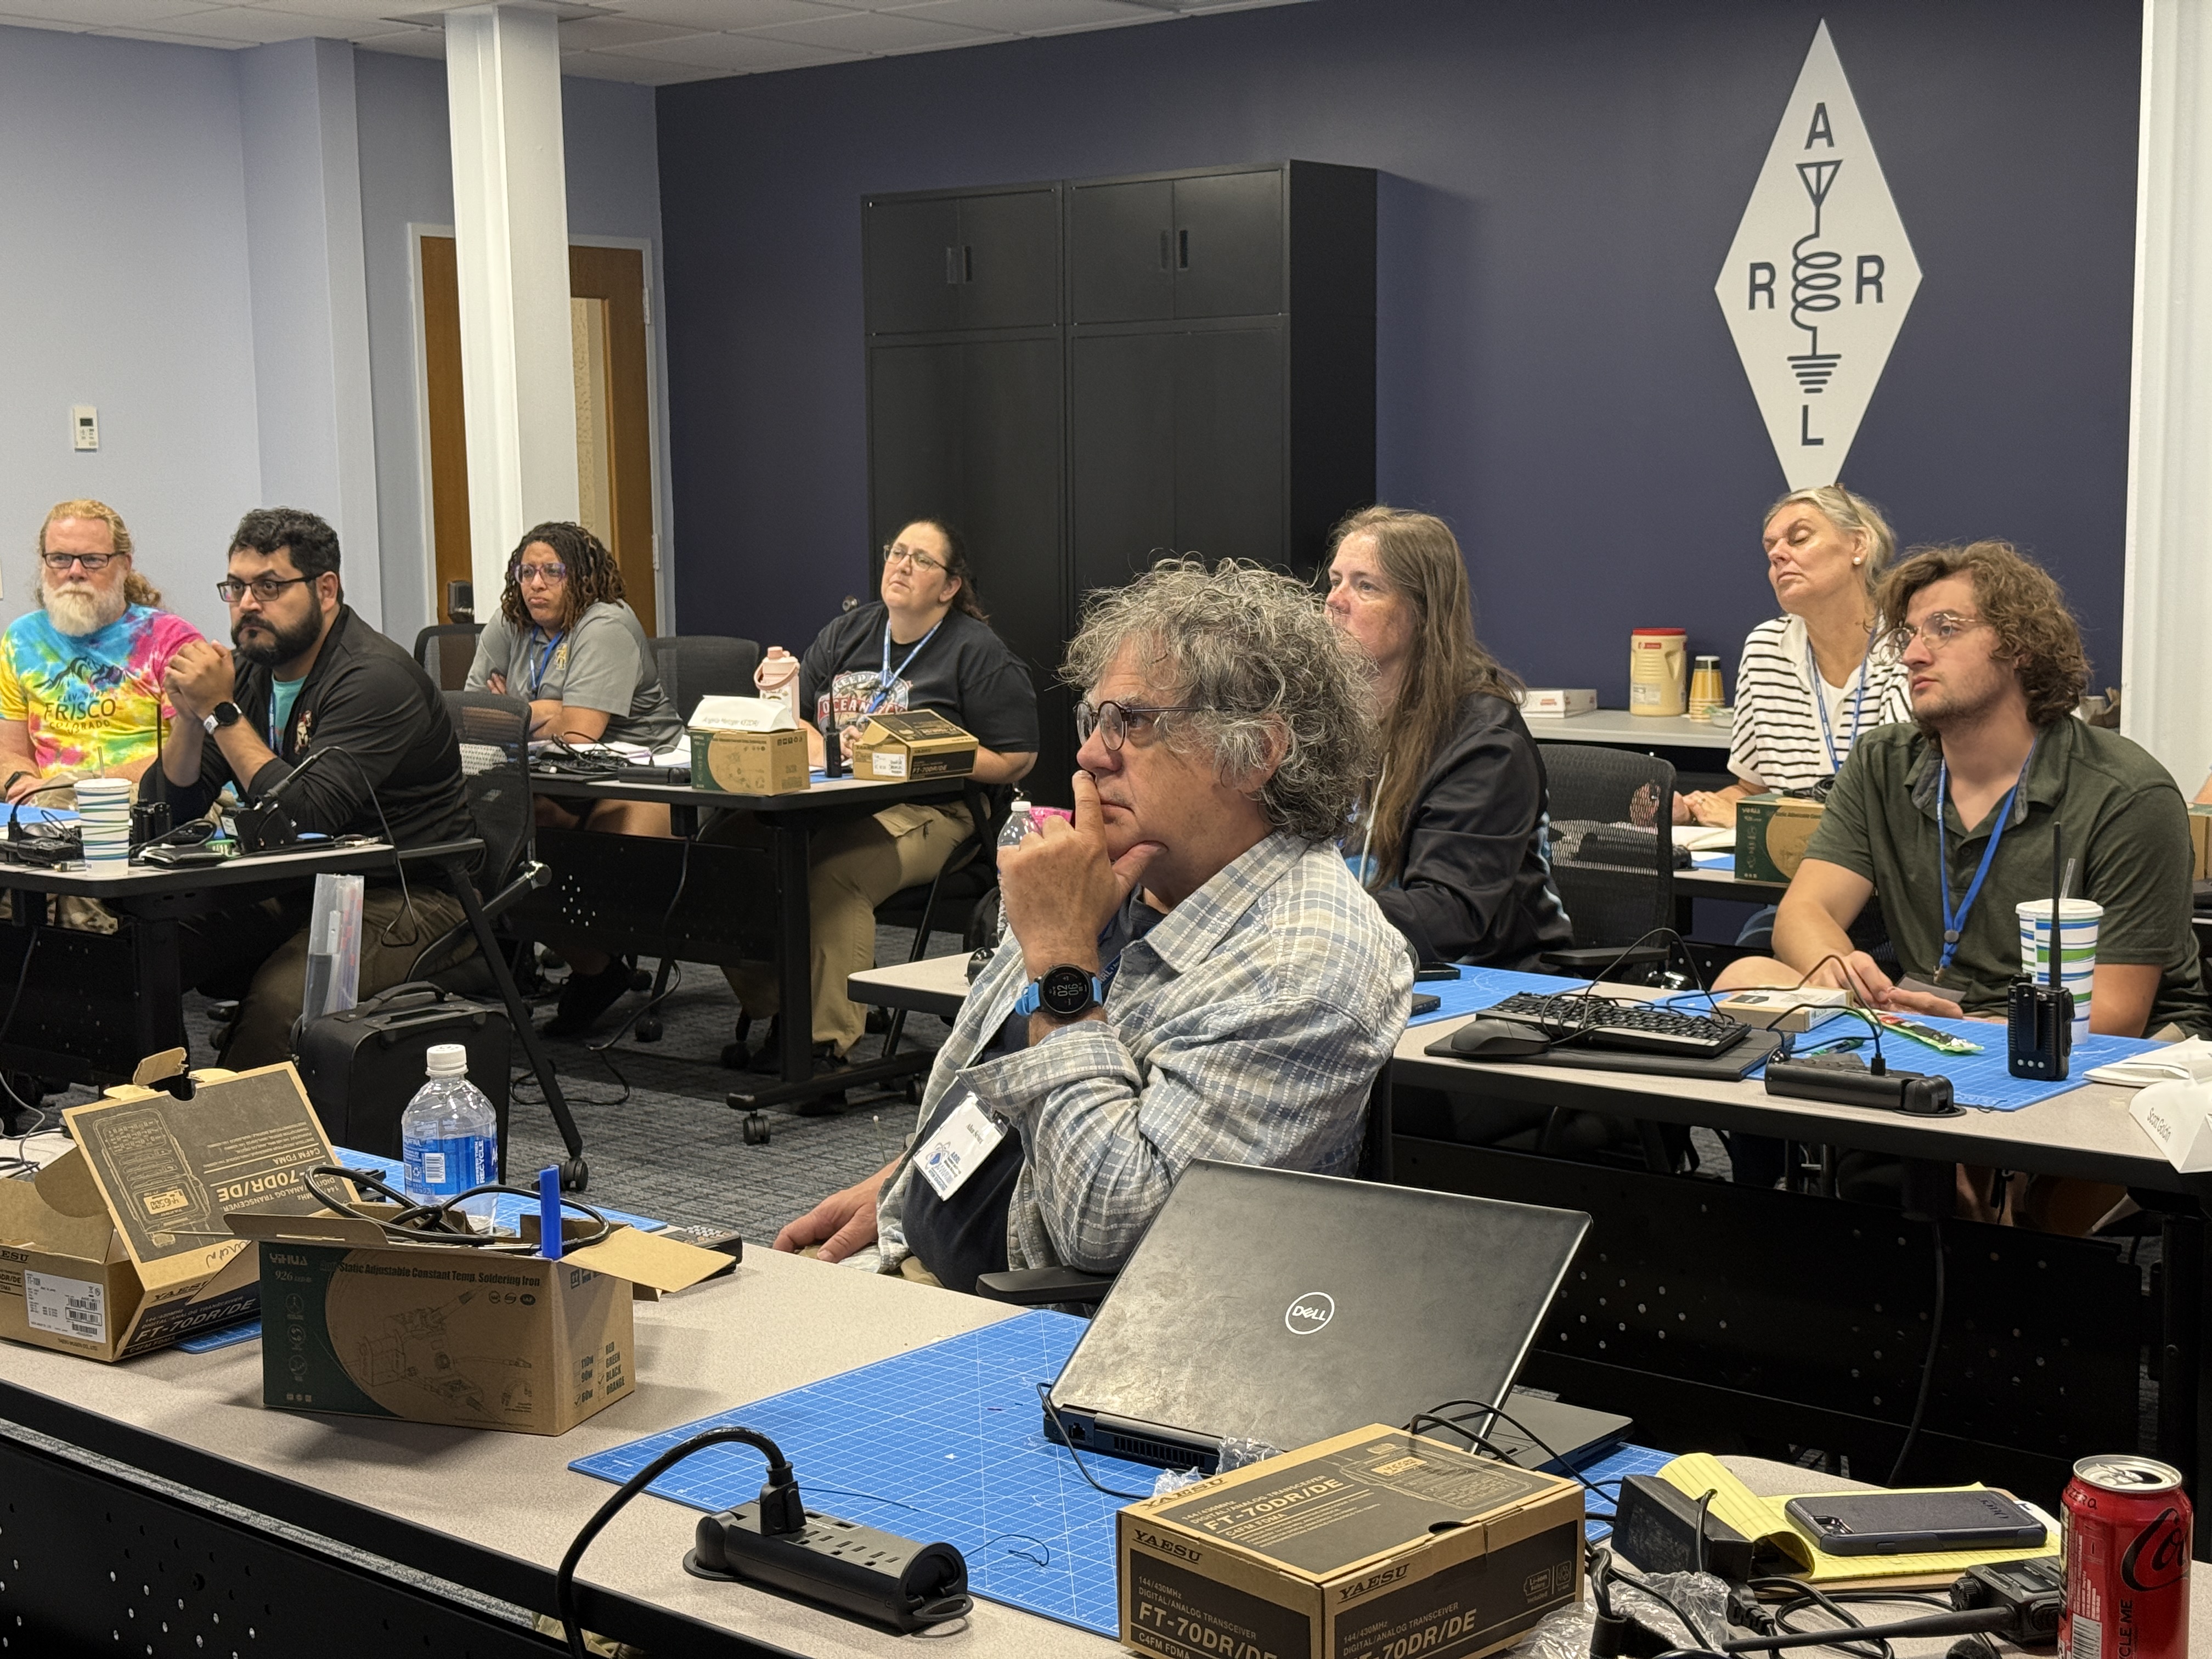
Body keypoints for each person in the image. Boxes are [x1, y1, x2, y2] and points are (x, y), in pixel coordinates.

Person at [772, 559, 1414, 1291]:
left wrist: (1061, 964)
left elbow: (1112, 1228)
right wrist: (909, 1184)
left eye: (1132, 723)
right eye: (1095, 719)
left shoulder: (1303, 967)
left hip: (1048, 1330)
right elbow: (1012, 1096)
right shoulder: (1127, 879)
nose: (1088, 755)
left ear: (1256, 754)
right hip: (925, 1258)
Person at [1716, 539, 2209, 1229]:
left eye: (1944, 629)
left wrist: (1964, 1038)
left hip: (2105, 1041)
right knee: (1746, 977)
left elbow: (2117, 1014)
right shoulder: (1884, 763)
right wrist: (1842, 971)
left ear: (2021, 646)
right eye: (1909, 635)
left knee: (2031, 1214)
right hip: (1934, 1019)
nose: (1914, 654)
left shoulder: (2125, 792)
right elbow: (1806, 912)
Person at [155, 507, 477, 1069]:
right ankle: (138, 1105)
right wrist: (188, 717)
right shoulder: (251, 670)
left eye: (269, 586)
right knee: (151, 947)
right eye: (236, 587)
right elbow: (167, 810)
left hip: (405, 889)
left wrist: (221, 713)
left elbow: (304, 816)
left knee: (282, 1005)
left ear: (325, 590)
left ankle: (240, 1124)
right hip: (298, 878)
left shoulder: (374, 677)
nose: (248, 603)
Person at [720, 517, 1039, 1072]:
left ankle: (822, 1045)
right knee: (728, 852)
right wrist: (826, 746)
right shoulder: (847, 634)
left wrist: (927, 753)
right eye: (897, 553)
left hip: (934, 811)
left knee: (834, 875)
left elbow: (1017, 757)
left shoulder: (974, 650)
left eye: (922, 559)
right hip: (832, 801)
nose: (902, 565)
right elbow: (794, 717)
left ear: (950, 586)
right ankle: (782, 1001)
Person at [1323, 506, 1570, 968]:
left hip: (1486, 977)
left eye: (1365, 586)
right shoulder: (1324, 721)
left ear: (1422, 611)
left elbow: (1447, 915)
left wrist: (1305, 920)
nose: (1336, 601)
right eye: (1335, 581)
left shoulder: (1485, 742)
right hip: (1358, 961)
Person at [465, 521, 682, 1034]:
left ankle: (595, 962)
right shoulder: (511, 622)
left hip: (638, 776)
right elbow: (470, 714)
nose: (536, 584)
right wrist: (548, 711)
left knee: (588, 858)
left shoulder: (605, 624)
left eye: (552, 572)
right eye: (526, 572)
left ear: (580, 577)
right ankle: (596, 969)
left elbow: (581, 732)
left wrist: (513, 708)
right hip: (551, 776)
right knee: (493, 843)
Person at [1676, 484, 1912, 827]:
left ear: (1858, 545)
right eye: (1770, 548)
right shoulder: (1766, 648)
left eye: (1799, 538)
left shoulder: (1912, 644)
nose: (1777, 555)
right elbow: (1752, 791)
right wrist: (1691, 809)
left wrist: (1763, 822)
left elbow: (1902, 812)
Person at [0, 499, 202, 804]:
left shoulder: (171, 639)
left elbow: (195, 752)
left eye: (93, 560)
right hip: (48, 807)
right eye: (60, 559)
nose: (75, 572)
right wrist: (22, 782)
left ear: (124, 565)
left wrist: (76, 785)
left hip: (144, 798)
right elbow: (10, 752)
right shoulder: (22, 639)